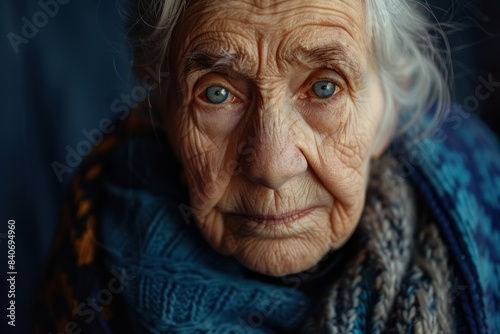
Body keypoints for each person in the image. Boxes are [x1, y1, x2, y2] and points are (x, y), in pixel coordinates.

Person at [35, 0, 500, 333]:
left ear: (387, 113)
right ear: (165, 111)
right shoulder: (89, 274)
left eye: (324, 89)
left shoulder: (484, 203)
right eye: (216, 93)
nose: (272, 165)